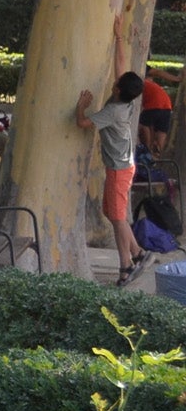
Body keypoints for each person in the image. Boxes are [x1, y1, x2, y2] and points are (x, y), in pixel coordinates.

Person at [75, 16, 146, 285]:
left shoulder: (112, 111)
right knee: (111, 213)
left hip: (118, 170)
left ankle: (126, 265)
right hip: (124, 167)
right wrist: (118, 37)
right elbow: (121, 68)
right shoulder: (126, 101)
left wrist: (81, 105)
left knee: (117, 219)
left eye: (117, 84)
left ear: (117, 91)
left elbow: (83, 124)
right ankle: (138, 252)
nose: (115, 82)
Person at [142, 67, 176, 152]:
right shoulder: (153, 85)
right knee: (161, 131)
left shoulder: (142, 83)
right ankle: (161, 154)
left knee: (143, 124)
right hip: (167, 106)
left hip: (154, 104)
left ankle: (147, 148)